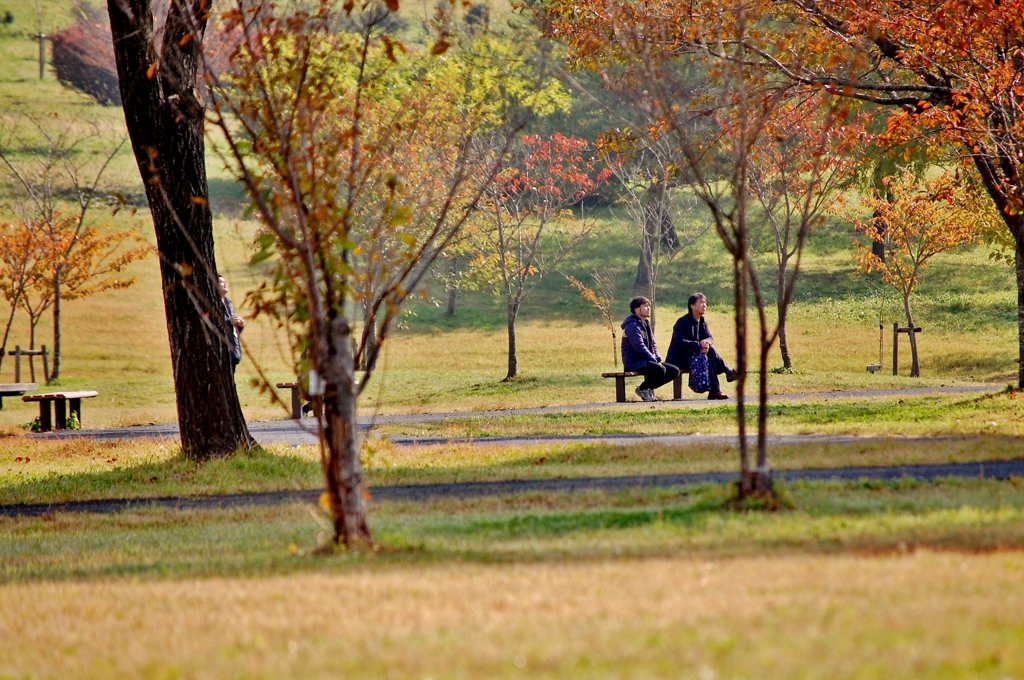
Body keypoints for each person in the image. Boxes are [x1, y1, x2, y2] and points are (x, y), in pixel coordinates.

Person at [666, 292, 738, 400]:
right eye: (701, 303)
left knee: (711, 360)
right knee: (710, 353)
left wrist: (706, 343)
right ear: (692, 305)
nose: (705, 305)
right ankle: (727, 371)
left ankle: (715, 392)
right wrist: (699, 345)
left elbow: (710, 338)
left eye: (705, 303)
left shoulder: (702, 322)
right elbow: (679, 342)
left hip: (695, 356)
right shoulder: (682, 322)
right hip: (679, 358)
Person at [621, 296, 680, 402]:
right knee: (660, 370)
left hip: (646, 360)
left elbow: (653, 345)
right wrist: (654, 360)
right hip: (634, 361)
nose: (649, 308)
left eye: (649, 306)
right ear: (637, 309)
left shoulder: (646, 324)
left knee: (674, 371)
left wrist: (658, 359)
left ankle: (647, 388)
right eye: (645, 306)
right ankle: (643, 389)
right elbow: (639, 347)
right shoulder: (632, 326)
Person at [218, 275, 245, 373]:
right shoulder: (213, 303)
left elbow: (233, 330)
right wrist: (230, 322)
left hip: (233, 352)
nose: (225, 284)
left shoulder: (228, 303)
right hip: (221, 352)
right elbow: (213, 324)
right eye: (221, 282)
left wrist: (240, 325)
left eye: (225, 281)